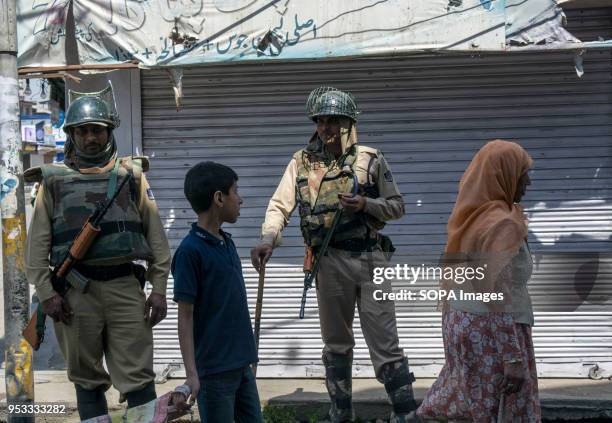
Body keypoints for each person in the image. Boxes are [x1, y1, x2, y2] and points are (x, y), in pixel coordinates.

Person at [251, 87, 419, 422]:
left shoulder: (370, 159)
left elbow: (398, 206)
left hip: (372, 260)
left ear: (349, 123)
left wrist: (366, 204)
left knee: (385, 344)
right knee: (336, 344)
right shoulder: (301, 162)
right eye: (320, 121)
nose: (325, 128)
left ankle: (406, 413)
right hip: (328, 263)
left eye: (333, 121)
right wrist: (268, 239)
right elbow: (279, 206)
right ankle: (341, 414)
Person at [24, 91, 171, 420]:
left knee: (139, 380)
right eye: (83, 131)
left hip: (124, 289)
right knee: (87, 381)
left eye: (98, 129)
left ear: (110, 131)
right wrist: (47, 294)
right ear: (72, 135)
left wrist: (158, 288)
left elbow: (157, 241)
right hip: (75, 297)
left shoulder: (130, 176)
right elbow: (35, 251)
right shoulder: (52, 182)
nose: (91, 137)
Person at [417, 140, 541, 422]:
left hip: (461, 325)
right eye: (524, 173)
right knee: (500, 406)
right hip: (491, 331)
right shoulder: (502, 224)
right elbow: (497, 295)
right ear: (504, 175)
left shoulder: (471, 216)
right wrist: (512, 357)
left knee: (469, 400)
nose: (529, 182)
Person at [172, 162, 263, 423]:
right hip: (213, 373)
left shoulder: (227, 242)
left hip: (241, 365)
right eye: (236, 191)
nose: (241, 199)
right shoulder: (190, 252)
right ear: (219, 198)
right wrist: (192, 374)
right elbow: (185, 317)